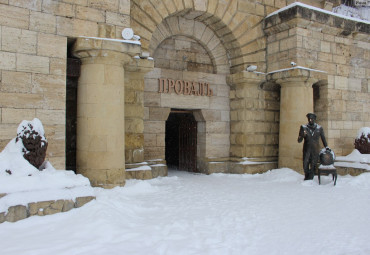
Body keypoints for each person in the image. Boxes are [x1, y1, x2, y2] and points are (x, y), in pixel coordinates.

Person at [297, 113, 328, 180]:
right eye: (309, 119)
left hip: (315, 149)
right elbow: (299, 140)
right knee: (305, 163)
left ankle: (311, 177)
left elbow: (323, 138)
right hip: (306, 149)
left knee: (313, 164)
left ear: (315, 119)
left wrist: (326, 147)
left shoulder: (319, 128)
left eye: (312, 119)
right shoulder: (303, 127)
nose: (310, 120)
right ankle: (306, 175)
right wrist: (302, 135)